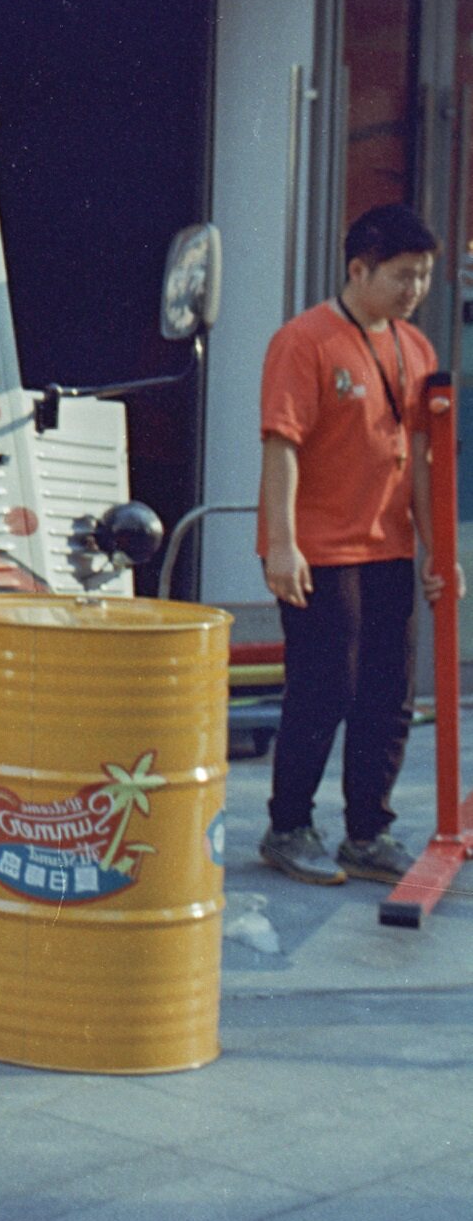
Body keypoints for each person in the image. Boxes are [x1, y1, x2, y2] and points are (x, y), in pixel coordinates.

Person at [256, 201, 455, 885]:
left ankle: (367, 831)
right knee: (324, 688)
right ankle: (288, 826)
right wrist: (282, 544)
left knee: (387, 693)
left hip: (387, 545)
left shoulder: (415, 346)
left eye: (422, 276)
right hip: (319, 547)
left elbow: (421, 456)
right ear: (358, 269)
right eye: (402, 275)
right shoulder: (304, 340)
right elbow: (280, 444)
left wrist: (436, 549)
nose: (414, 289)